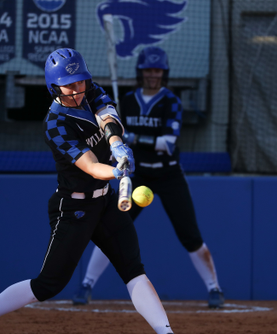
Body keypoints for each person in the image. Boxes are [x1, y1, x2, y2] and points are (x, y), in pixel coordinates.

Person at [0, 48, 189, 334]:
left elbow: (107, 112)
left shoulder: (88, 89)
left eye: (80, 82)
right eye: (68, 85)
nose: (77, 90)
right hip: (73, 209)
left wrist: (116, 143)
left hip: (104, 202)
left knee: (133, 270)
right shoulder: (55, 124)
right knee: (48, 285)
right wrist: (118, 170)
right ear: (54, 87)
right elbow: (90, 166)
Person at [73, 46, 225, 309]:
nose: (152, 75)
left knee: (189, 233)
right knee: (112, 230)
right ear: (140, 73)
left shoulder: (171, 102)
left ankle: (214, 289)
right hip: (137, 174)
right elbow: (111, 131)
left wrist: (132, 138)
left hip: (168, 174)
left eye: (157, 70)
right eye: (147, 70)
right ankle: (86, 285)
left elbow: (167, 143)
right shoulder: (127, 102)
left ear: (163, 73)